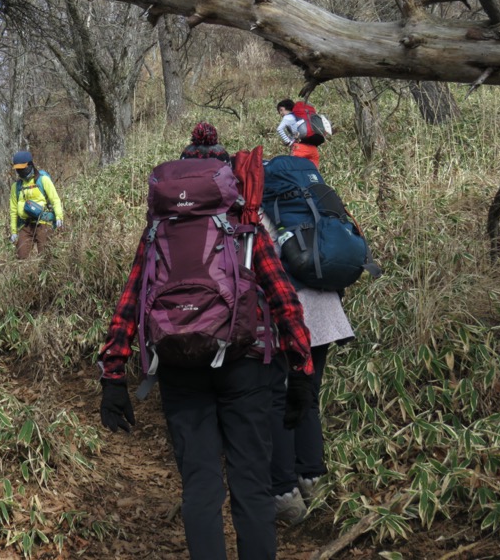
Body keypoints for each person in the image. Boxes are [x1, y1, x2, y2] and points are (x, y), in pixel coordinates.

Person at [97, 122, 314, 560]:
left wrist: (113, 375)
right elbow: (282, 297)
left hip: (178, 363)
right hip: (246, 359)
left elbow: (132, 298)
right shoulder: (241, 220)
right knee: (251, 486)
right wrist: (301, 369)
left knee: (199, 486)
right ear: (224, 174)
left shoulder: (160, 228)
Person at [261, 211, 354, 525]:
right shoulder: (304, 206)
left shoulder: (257, 212)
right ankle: (313, 481)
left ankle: (285, 496)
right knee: (308, 395)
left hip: (290, 313)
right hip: (326, 309)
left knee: (280, 399)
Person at [9, 151, 64, 259]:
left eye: (22, 168)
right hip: (25, 225)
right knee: (21, 256)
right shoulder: (16, 187)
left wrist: (59, 217)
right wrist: (14, 231)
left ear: (30, 165)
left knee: (45, 256)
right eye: (17, 169)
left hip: (43, 222)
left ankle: (46, 274)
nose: (20, 171)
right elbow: (13, 210)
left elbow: (55, 199)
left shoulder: (43, 180)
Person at [276, 99, 320, 168]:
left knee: (295, 173)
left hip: (299, 148)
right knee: (312, 174)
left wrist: (288, 142)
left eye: (281, 110)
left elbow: (279, 129)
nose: (280, 113)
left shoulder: (287, 117)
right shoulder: (301, 117)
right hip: (313, 149)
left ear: (287, 108)